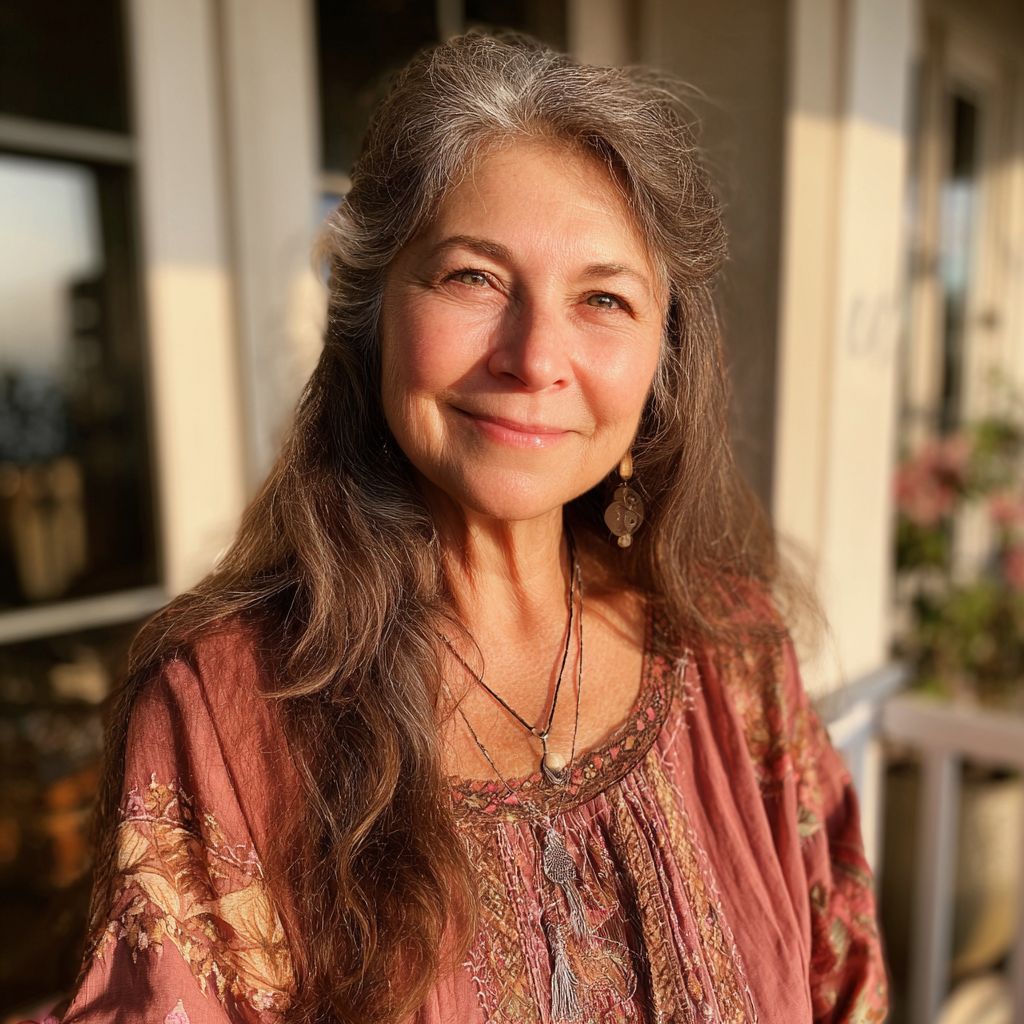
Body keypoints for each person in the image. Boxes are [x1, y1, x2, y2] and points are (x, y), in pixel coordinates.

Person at [55, 32, 886, 1024]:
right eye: (473, 278)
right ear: (371, 317)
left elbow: (846, 990)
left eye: (604, 298)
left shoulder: (735, 657)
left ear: (662, 363)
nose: (534, 357)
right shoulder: (225, 711)